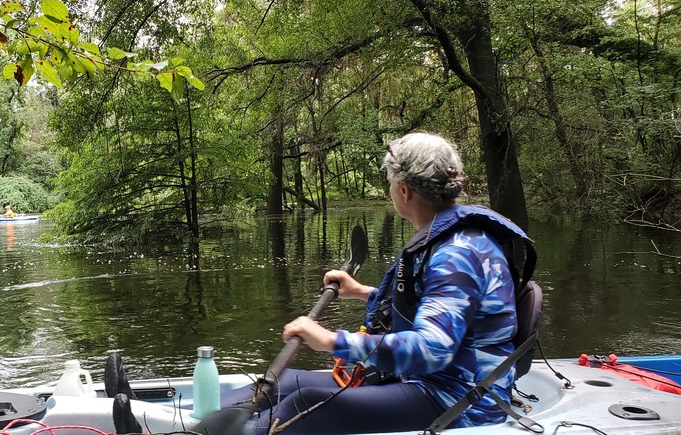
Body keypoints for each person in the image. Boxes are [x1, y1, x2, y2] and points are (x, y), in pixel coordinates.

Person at [224, 132, 532, 434]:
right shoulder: (448, 239)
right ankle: (196, 417)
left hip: (458, 398)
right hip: (422, 380)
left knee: (308, 403)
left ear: (404, 189)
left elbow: (432, 348)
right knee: (283, 382)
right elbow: (432, 307)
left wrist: (332, 341)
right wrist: (361, 292)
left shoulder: (458, 253)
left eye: (389, 184)